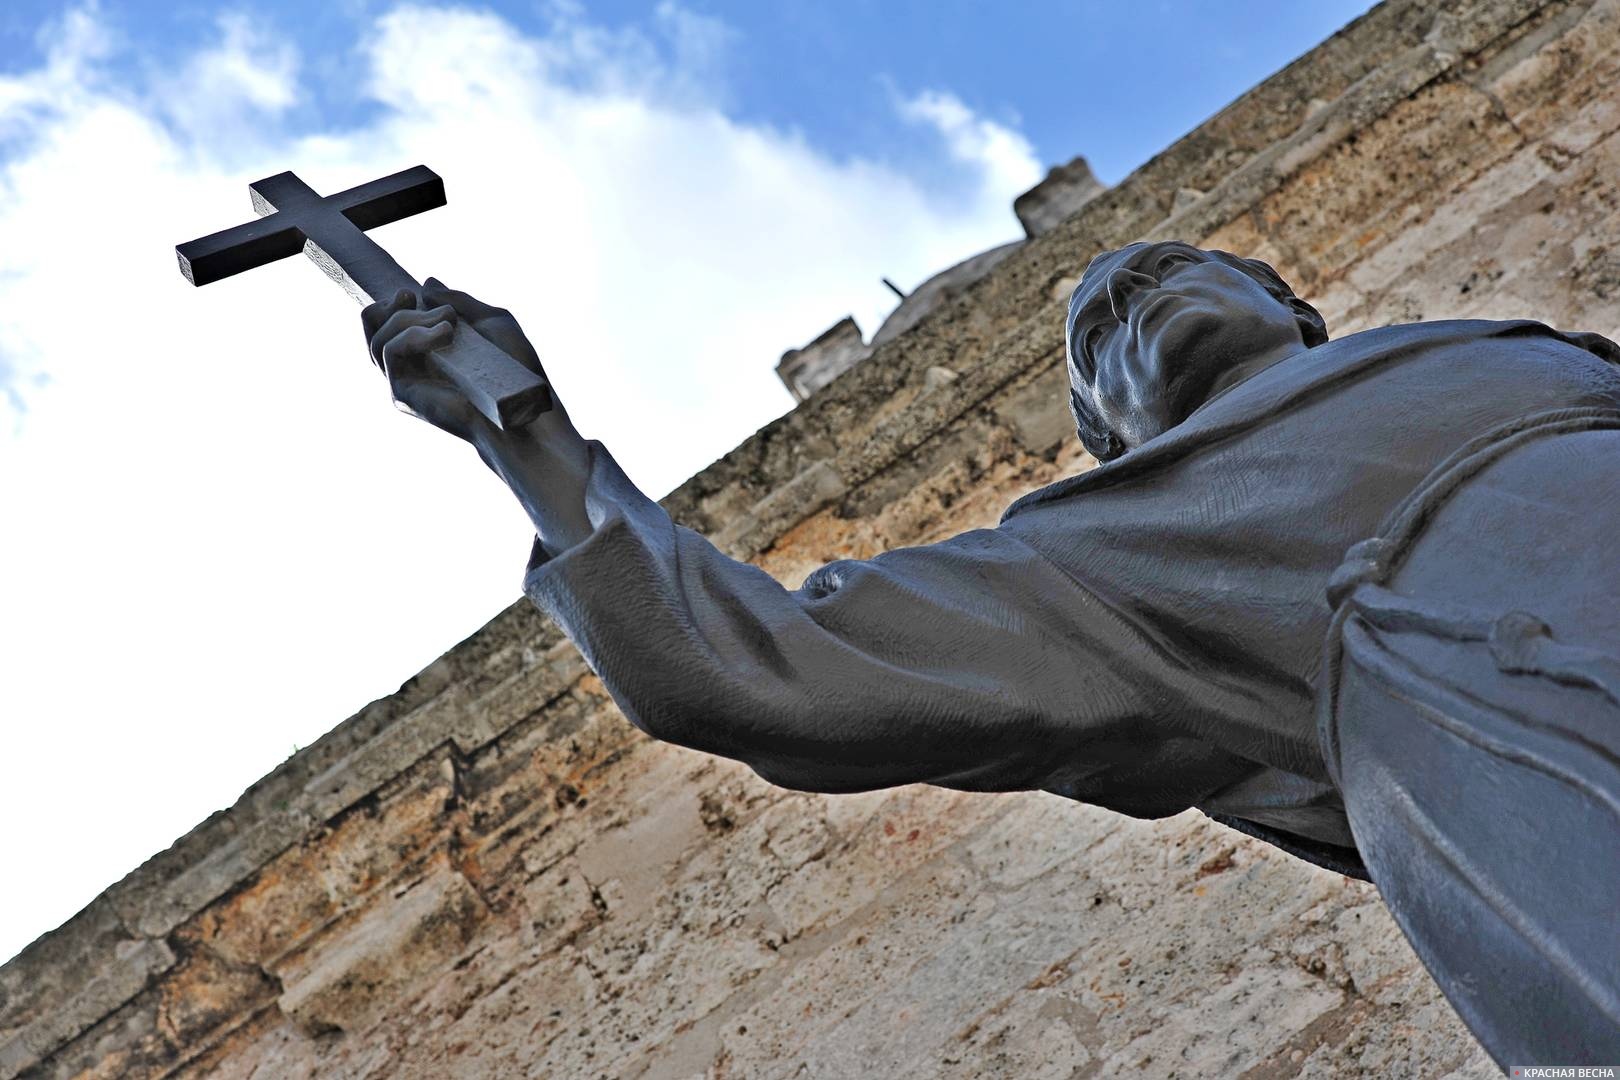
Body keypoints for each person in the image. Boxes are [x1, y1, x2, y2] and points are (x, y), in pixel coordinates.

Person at [362, 241, 1620, 1064]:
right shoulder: (1107, 557)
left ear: (1290, 303)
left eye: (1165, 272)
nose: (1135, 306)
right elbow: (765, 664)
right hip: (1543, 750)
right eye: (1099, 335)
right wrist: (522, 435)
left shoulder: (1519, 349)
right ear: (1110, 444)